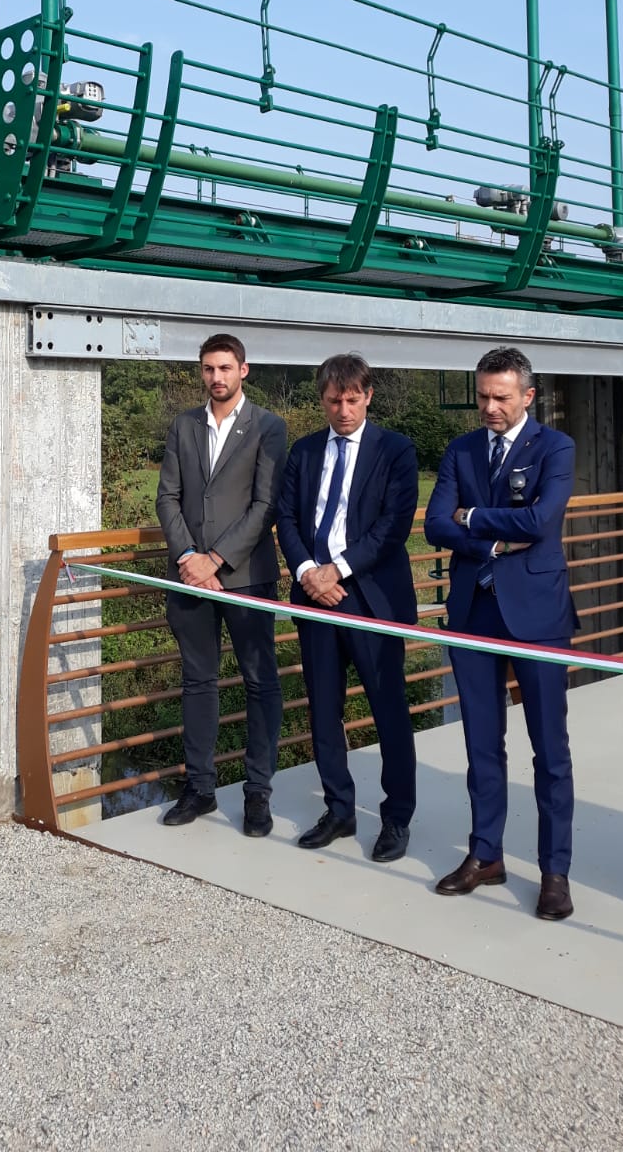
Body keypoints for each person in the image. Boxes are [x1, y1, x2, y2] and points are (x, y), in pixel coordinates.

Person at [424, 345, 577, 920]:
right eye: (483, 396)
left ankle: (554, 872)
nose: (489, 407)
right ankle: (485, 854)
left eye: (501, 397)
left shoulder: (555, 447)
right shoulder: (461, 449)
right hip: (473, 610)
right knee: (481, 744)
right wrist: (491, 538)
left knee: (550, 749)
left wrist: (471, 516)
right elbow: (435, 524)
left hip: (537, 614)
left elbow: (540, 521)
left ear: (528, 396)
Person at [276, 353, 418, 860]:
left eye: (353, 400)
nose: (343, 410)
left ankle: (396, 817)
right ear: (322, 399)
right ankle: (339, 809)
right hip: (315, 595)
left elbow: (393, 526)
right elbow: (286, 518)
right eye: (334, 401)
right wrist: (307, 572)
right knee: (323, 709)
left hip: (370, 597)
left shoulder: (396, 450)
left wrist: (336, 570)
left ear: (368, 396)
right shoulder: (304, 451)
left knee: (388, 710)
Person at [155, 334, 288, 837]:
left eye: (225, 368)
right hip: (189, 576)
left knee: (260, 682)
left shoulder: (268, 427)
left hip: (247, 576)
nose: (217, 377)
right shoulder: (184, 425)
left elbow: (265, 505)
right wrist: (188, 557)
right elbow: (167, 497)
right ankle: (200, 788)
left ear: (243, 370)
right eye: (209, 368)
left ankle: (258, 793)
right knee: (197, 681)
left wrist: (215, 559)